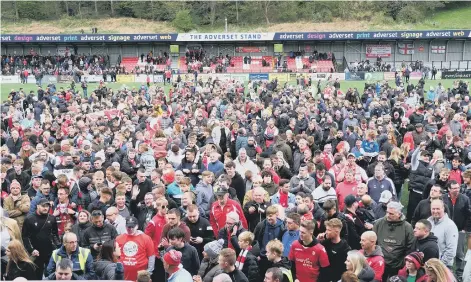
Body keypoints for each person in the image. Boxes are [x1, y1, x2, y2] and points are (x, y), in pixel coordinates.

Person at [374, 201, 414, 281]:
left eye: (391, 214)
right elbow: (373, 241)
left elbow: (410, 247)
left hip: (398, 265)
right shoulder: (379, 223)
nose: (388, 215)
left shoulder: (407, 227)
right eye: (387, 212)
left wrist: (403, 263)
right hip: (380, 263)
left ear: (399, 214)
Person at [22, 198, 60, 279]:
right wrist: (31, 250)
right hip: (36, 252)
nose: (45, 208)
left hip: (50, 251)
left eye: (47, 206)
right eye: (43, 206)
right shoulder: (29, 219)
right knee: (36, 275)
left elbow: (55, 234)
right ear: (37, 206)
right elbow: (25, 237)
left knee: (51, 274)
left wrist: (57, 247)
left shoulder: (52, 218)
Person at [116, 216, 155, 281]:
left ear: (137, 226)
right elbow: (116, 256)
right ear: (125, 226)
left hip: (140, 276)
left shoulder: (146, 238)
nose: (130, 229)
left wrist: (149, 272)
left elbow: (151, 256)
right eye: (128, 227)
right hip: (124, 275)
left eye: (132, 227)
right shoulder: (119, 238)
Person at [428, 199, 458, 269]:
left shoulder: (450, 226)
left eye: (438, 209)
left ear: (443, 208)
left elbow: (451, 251)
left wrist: (439, 265)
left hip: (443, 266)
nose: (435, 211)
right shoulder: (428, 221)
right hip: (428, 264)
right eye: (433, 209)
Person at [407, 144, 434, 222]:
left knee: (422, 212)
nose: (426, 157)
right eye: (424, 155)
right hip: (415, 192)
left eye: (428, 156)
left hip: (424, 194)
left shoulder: (431, 167)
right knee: (411, 211)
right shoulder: (416, 163)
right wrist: (419, 147)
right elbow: (414, 156)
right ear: (421, 156)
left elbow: (432, 181)